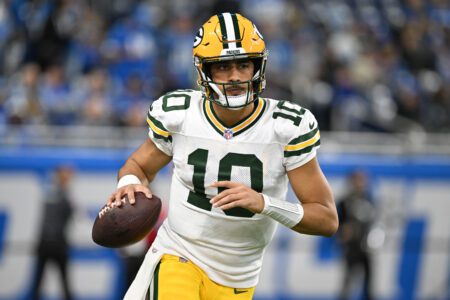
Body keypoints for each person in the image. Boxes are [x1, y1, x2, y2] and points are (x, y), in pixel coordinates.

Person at [107, 12, 339, 300]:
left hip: (239, 276)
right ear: (204, 71)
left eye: (244, 64)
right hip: (179, 253)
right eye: (222, 67)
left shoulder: (285, 127)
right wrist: (129, 182)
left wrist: (264, 203)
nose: (235, 76)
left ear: (258, 66)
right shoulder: (180, 114)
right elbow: (139, 165)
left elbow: (327, 218)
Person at [31, 165, 74, 300]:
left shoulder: (48, 193)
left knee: (39, 281)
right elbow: (69, 215)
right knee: (64, 281)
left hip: (45, 242)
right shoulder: (64, 196)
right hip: (57, 243)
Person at [337, 170, 375, 300]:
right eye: (358, 180)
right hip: (351, 248)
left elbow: (372, 222)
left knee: (368, 284)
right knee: (348, 282)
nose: (361, 183)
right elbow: (336, 223)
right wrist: (342, 232)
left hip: (366, 247)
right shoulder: (344, 201)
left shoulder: (369, 199)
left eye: (363, 180)